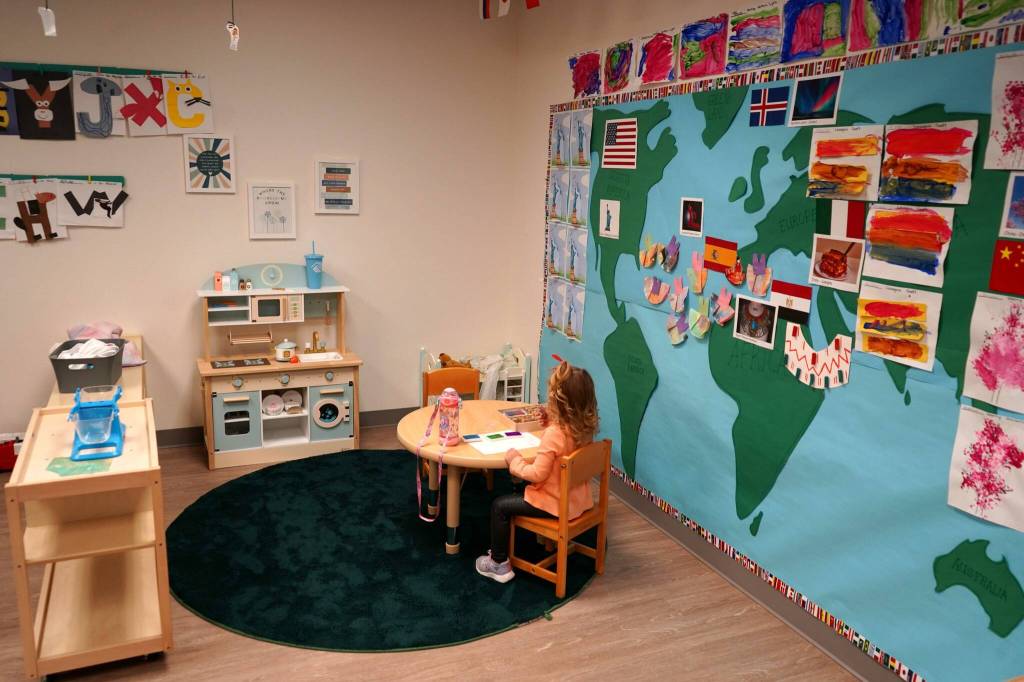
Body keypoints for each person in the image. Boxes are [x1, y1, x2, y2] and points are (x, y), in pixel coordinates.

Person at [475, 362, 599, 583]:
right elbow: (563, 444)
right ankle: (545, 541)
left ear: (559, 403)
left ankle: (499, 564)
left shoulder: (554, 434)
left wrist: (515, 462)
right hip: (576, 500)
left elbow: (537, 474)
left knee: (500, 506)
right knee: (520, 490)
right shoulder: (585, 429)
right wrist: (551, 419)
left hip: (554, 503)